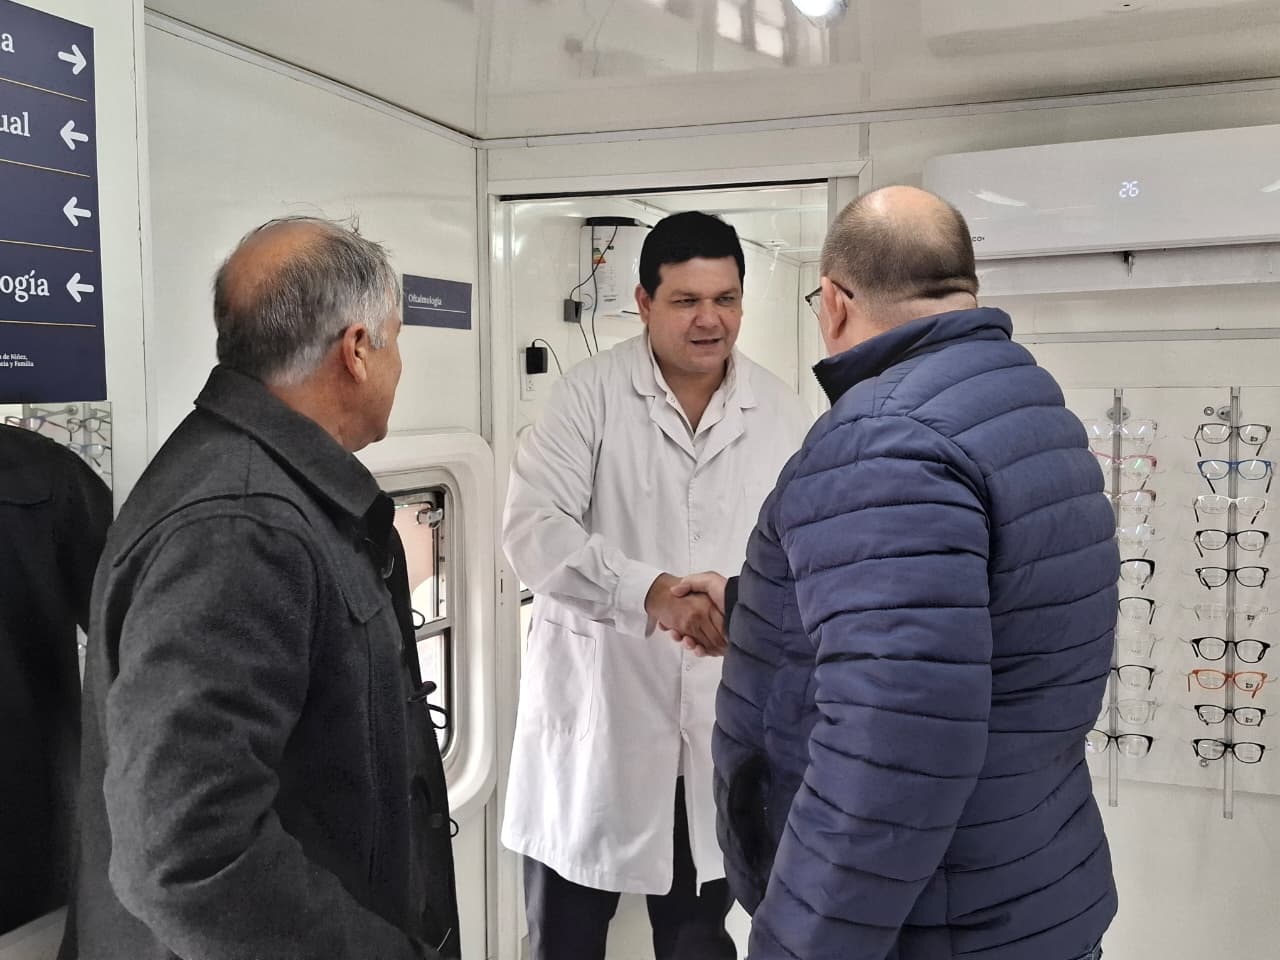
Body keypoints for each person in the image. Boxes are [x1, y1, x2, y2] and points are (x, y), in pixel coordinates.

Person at [707, 186, 1117, 960]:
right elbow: (978, 626)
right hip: (1029, 888)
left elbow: (888, 755)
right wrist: (750, 604)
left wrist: (794, 946)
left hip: (931, 924)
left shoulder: (882, 438)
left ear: (834, 300)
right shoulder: (1028, 407)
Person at [59, 218, 459, 960]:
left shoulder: (266, 491)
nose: (398, 364)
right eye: (395, 341)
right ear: (357, 351)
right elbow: (186, 855)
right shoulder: (242, 527)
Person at [501, 211, 812, 960]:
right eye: (686, 300)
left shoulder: (782, 411)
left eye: (726, 299)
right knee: (565, 942)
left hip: (716, 725)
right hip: (600, 722)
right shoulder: (588, 396)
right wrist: (651, 592)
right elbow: (533, 531)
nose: (710, 319)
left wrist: (742, 607)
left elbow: (804, 554)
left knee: (698, 941)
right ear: (643, 302)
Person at [0, 423, 111, 933]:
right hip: (32, 829)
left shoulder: (44, 477)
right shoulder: (43, 473)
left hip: (32, 826)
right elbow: (141, 638)